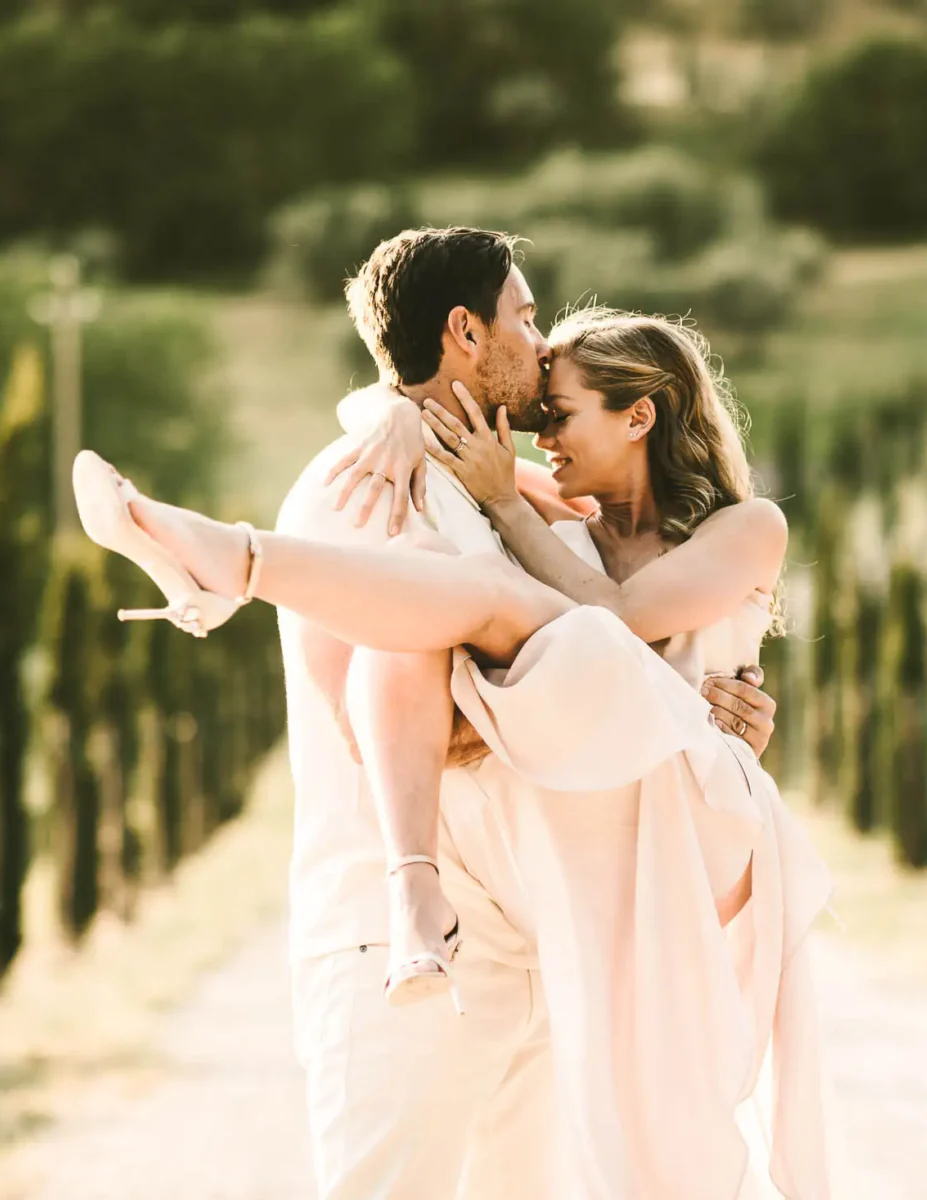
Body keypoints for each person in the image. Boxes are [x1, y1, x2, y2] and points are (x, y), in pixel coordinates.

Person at [78, 226, 797, 1198]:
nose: (543, 347)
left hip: (540, 935)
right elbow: (374, 698)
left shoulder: (516, 490)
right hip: (404, 941)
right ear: (464, 331)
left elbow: (616, 632)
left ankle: (226, 564)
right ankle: (227, 562)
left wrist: (699, 714)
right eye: (527, 317)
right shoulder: (364, 481)